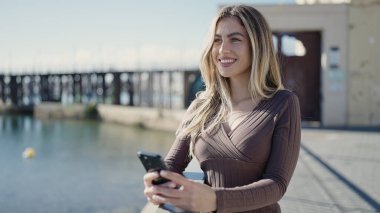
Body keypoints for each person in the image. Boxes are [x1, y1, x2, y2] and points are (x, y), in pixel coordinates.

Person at [144, 4, 301, 213]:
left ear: (257, 46)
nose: (222, 49)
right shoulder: (201, 107)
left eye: (235, 39)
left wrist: (216, 200)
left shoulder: (283, 103)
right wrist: (159, 181)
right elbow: (173, 164)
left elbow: (277, 184)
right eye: (217, 40)